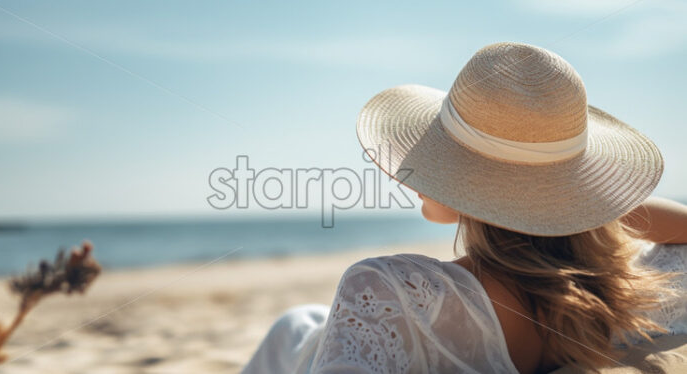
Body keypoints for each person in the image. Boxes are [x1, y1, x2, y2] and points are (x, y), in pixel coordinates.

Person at [240, 42, 687, 373]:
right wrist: (574, 204)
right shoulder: (632, 292)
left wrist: (564, 199)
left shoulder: (385, 288)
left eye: (438, 152)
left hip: (298, 353)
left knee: (294, 324)